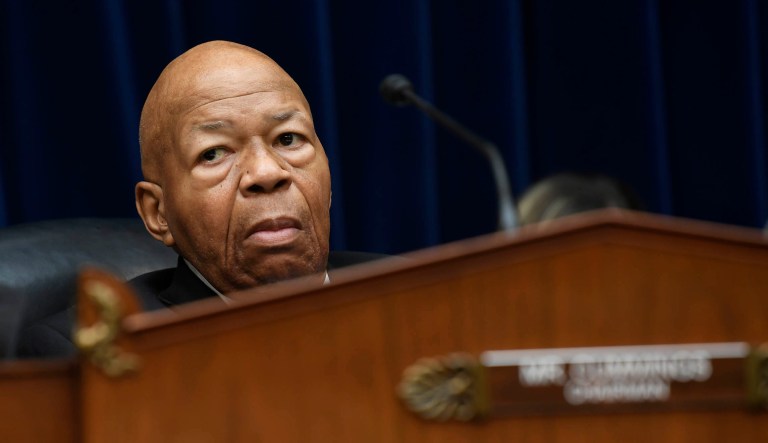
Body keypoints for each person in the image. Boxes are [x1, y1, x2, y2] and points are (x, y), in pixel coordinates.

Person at [16, 40, 385, 357]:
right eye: (213, 153)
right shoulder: (98, 351)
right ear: (157, 212)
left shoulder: (414, 293)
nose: (268, 173)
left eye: (288, 139)